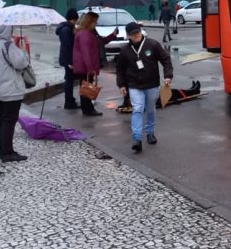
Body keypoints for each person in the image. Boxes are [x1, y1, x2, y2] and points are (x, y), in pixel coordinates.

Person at [116, 22, 173, 153]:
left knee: (151, 109)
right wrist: (122, 85)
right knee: (137, 109)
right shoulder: (125, 50)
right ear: (128, 36)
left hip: (151, 84)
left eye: (137, 33)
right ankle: (137, 139)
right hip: (134, 85)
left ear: (141, 31)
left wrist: (168, 75)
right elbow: (120, 70)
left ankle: (150, 132)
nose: (136, 36)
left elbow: (165, 59)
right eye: (132, 34)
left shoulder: (152, 45)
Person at [0, 25, 30, 163]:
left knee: (1, 121)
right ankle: (7, 153)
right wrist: (22, 52)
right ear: (5, 30)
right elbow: (21, 63)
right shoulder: (8, 46)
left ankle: (2, 151)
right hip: (11, 90)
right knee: (9, 121)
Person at [73, 12, 116, 116]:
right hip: (85, 67)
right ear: (90, 22)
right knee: (86, 88)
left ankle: (88, 108)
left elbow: (99, 43)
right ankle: (88, 109)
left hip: (85, 66)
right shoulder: (85, 34)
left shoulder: (88, 32)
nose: (96, 23)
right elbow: (85, 52)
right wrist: (90, 68)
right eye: (95, 21)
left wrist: (112, 36)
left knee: (86, 87)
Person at [55, 8, 79, 110]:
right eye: (76, 19)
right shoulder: (66, 30)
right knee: (69, 80)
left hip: (67, 58)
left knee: (69, 79)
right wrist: (70, 62)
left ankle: (70, 100)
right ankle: (69, 102)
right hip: (68, 59)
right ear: (73, 19)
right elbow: (67, 46)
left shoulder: (68, 28)